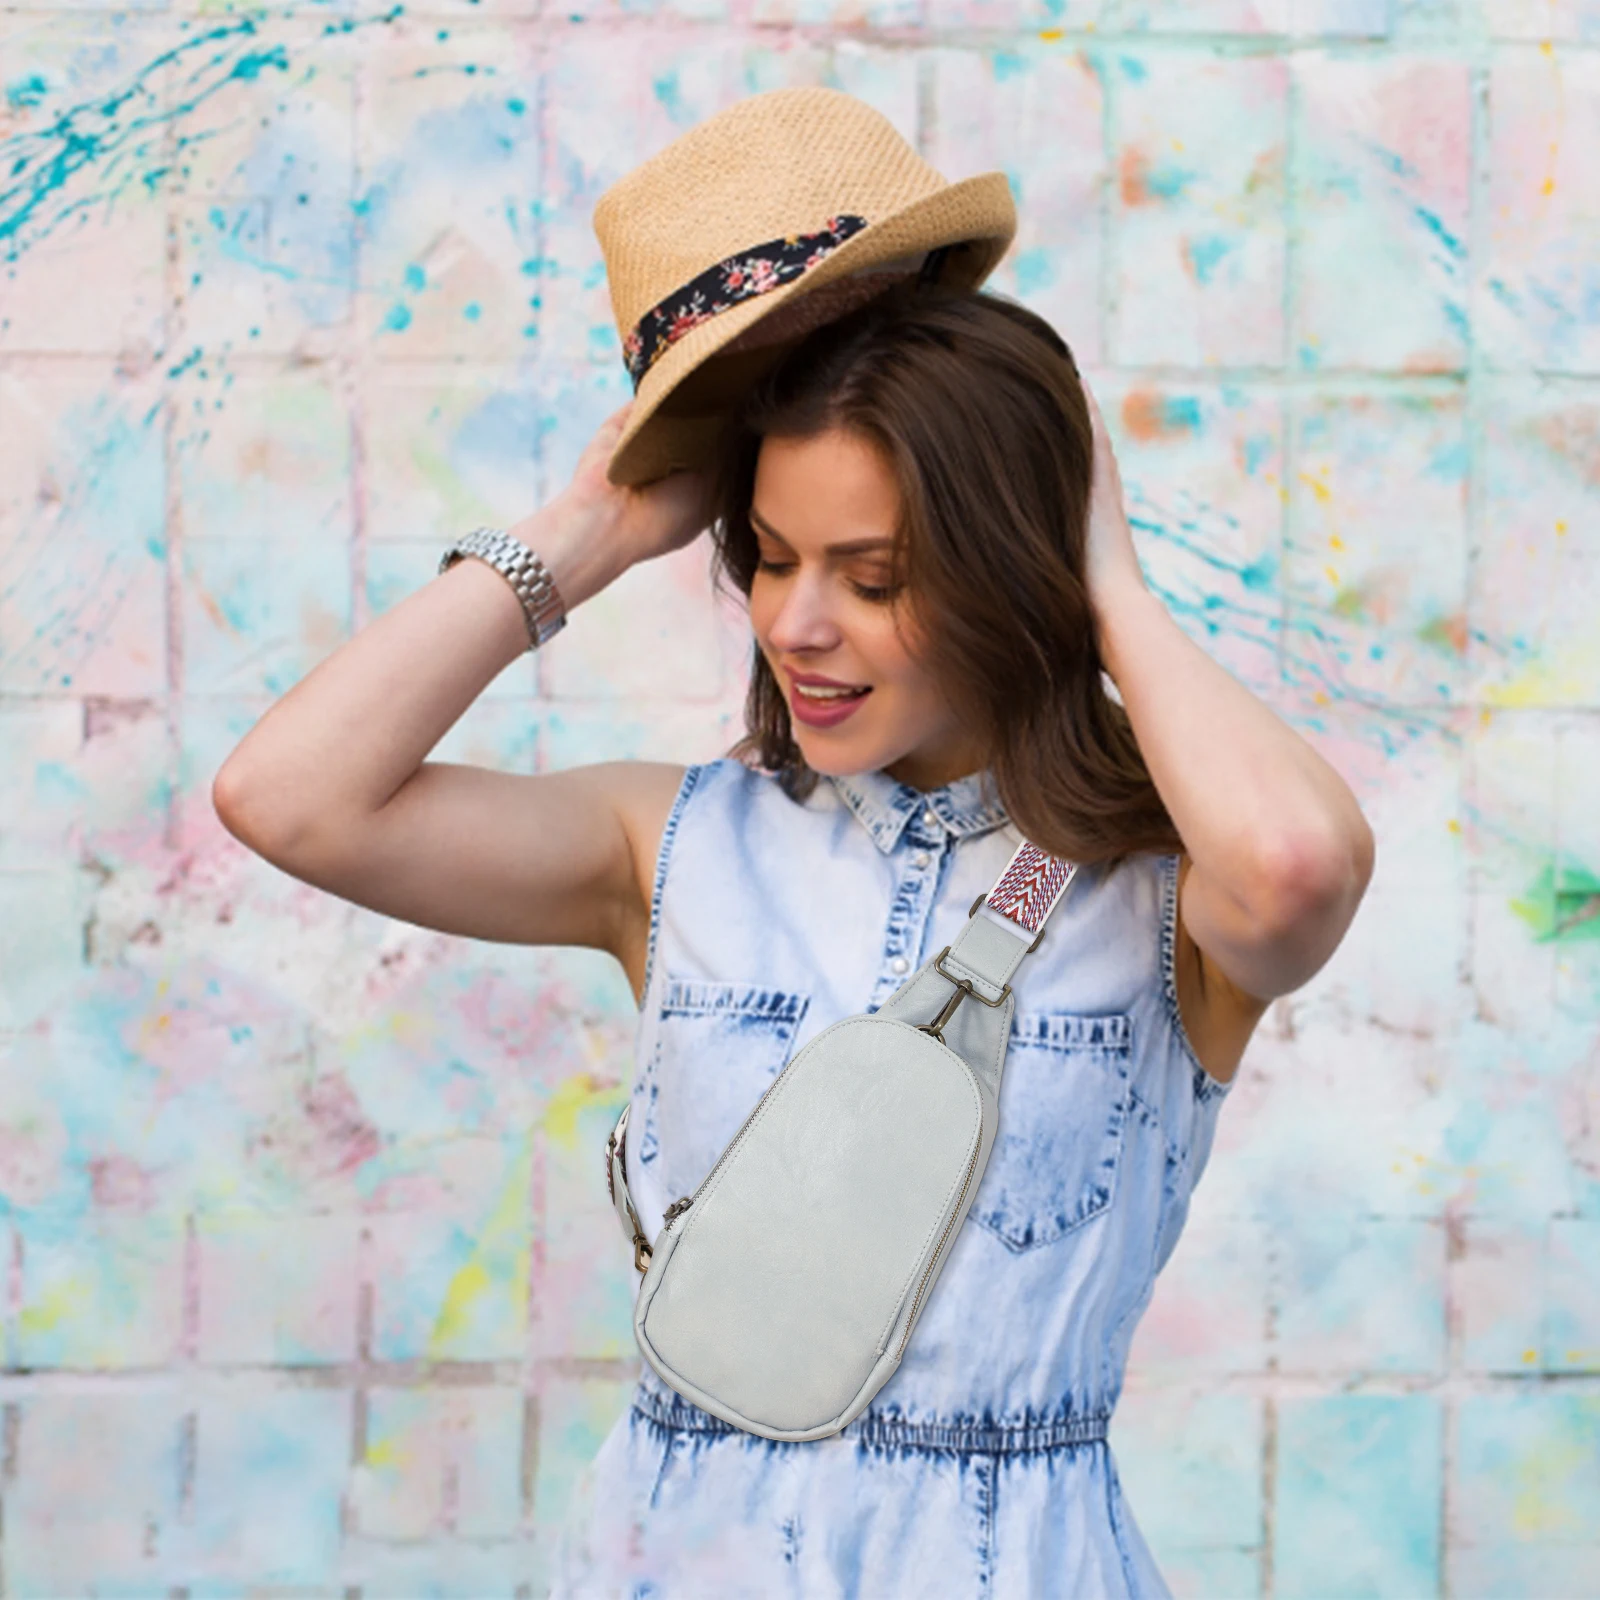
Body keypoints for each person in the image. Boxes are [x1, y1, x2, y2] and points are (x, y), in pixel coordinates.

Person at [213, 88, 1374, 1598]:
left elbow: (1297, 868)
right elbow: (288, 798)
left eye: (874, 574)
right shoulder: (674, 843)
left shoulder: (1170, 897)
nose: (797, 626)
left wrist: (1115, 589)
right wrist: (584, 534)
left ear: (1009, 564)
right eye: (766, 558)